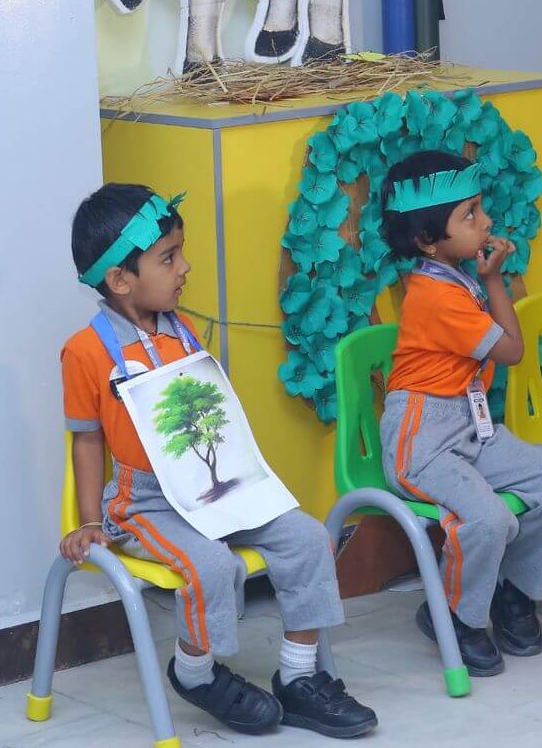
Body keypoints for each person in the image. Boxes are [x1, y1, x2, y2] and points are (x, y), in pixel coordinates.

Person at [61, 183, 377, 739]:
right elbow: (87, 442)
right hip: (145, 503)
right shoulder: (85, 352)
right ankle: (196, 673)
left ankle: (299, 677)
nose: (185, 267)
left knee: (307, 539)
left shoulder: (183, 330)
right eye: (168, 258)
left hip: (214, 487)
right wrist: (88, 521)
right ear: (120, 279)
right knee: (213, 566)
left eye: (180, 253)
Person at [377, 151, 542, 676]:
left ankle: (513, 593)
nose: (486, 220)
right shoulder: (437, 296)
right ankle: (456, 615)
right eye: (469, 214)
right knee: (489, 518)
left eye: (480, 208)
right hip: (422, 441)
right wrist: (495, 280)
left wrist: (487, 277)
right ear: (428, 241)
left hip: (471, 428)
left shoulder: (454, 277)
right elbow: (512, 351)